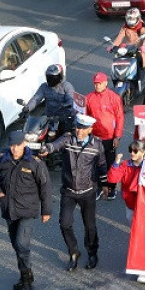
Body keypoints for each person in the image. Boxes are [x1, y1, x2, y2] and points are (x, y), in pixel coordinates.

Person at [39, 114, 107, 272]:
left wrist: (105, 185)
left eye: (82, 129)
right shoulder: (68, 139)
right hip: (69, 191)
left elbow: (102, 165)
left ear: (90, 129)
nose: (78, 131)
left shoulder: (97, 145)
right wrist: (47, 149)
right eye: (77, 127)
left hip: (88, 191)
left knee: (90, 226)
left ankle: (92, 253)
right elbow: (55, 145)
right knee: (64, 224)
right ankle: (74, 252)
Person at [0, 130, 51, 290]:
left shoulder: (34, 162)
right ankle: (26, 274)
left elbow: (45, 186)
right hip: (9, 210)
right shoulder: (2, 159)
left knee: (22, 245)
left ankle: (26, 283)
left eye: (18, 145)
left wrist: (46, 210)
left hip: (27, 211)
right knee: (17, 247)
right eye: (12, 145)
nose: (14, 149)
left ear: (24, 144)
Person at [106, 140, 145, 284]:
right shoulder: (125, 164)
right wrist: (116, 163)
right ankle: (137, 261)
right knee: (135, 235)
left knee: (142, 237)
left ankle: (144, 270)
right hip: (130, 205)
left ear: (143, 152)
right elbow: (113, 178)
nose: (132, 153)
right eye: (130, 150)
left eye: (135, 151)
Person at [84, 72, 125, 201]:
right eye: (95, 83)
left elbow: (120, 117)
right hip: (95, 137)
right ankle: (100, 188)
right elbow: (85, 116)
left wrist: (117, 136)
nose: (97, 85)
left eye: (99, 83)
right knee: (95, 164)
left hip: (110, 138)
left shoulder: (114, 98)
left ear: (106, 83)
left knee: (110, 164)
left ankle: (112, 188)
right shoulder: (89, 98)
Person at [25, 64, 77, 136]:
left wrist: (66, 104)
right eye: (49, 77)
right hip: (49, 117)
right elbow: (36, 98)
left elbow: (70, 99)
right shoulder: (44, 86)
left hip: (64, 118)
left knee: (65, 137)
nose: (50, 80)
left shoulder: (66, 86)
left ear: (59, 77)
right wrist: (27, 108)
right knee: (34, 132)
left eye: (53, 77)